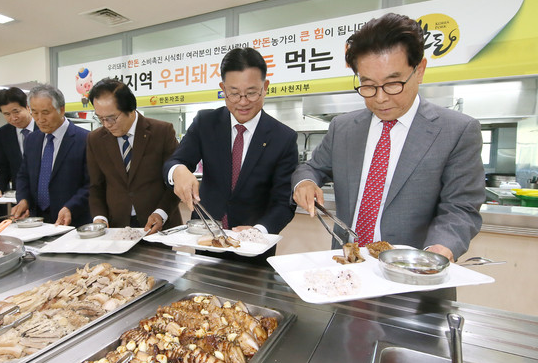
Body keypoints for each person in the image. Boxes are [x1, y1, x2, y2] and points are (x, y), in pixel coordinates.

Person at [292, 13, 485, 263]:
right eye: (368, 85)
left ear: (420, 70)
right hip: (347, 271)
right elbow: (311, 167)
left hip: (414, 276)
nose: (380, 98)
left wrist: (439, 249)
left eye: (393, 83)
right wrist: (304, 183)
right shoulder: (344, 128)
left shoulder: (457, 130)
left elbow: (461, 208)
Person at [163, 47, 299, 265]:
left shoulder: (283, 137)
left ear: (265, 88)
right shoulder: (205, 122)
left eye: (251, 92)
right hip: (206, 239)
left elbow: (284, 202)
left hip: (254, 249)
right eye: (234, 93)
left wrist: (258, 231)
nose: (242, 102)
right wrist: (177, 171)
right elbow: (175, 161)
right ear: (223, 88)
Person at [87, 78, 181, 233]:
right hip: (117, 225)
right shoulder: (95, 139)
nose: (106, 124)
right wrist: (100, 217)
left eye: (111, 118)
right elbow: (96, 186)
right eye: (100, 118)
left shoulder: (162, 132)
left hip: (158, 225)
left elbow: (175, 182)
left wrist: (161, 213)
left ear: (130, 109)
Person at [12, 84, 91, 226]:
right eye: (34, 113)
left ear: (61, 110)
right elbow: (23, 175)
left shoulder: (85, 139)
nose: (40, 119)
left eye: (46, 112)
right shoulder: (32, 140)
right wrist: (23, 199)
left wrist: (70, 207)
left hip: (72, 220)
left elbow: (91, 184)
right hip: (38, 221)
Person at [0, 87, 37, 198]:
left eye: (16, 111)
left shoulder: (44, 128)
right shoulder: (2, 134)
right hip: (20, 193)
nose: (13, 118)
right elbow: (2, 166)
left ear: (27, 107)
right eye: (7, 114)